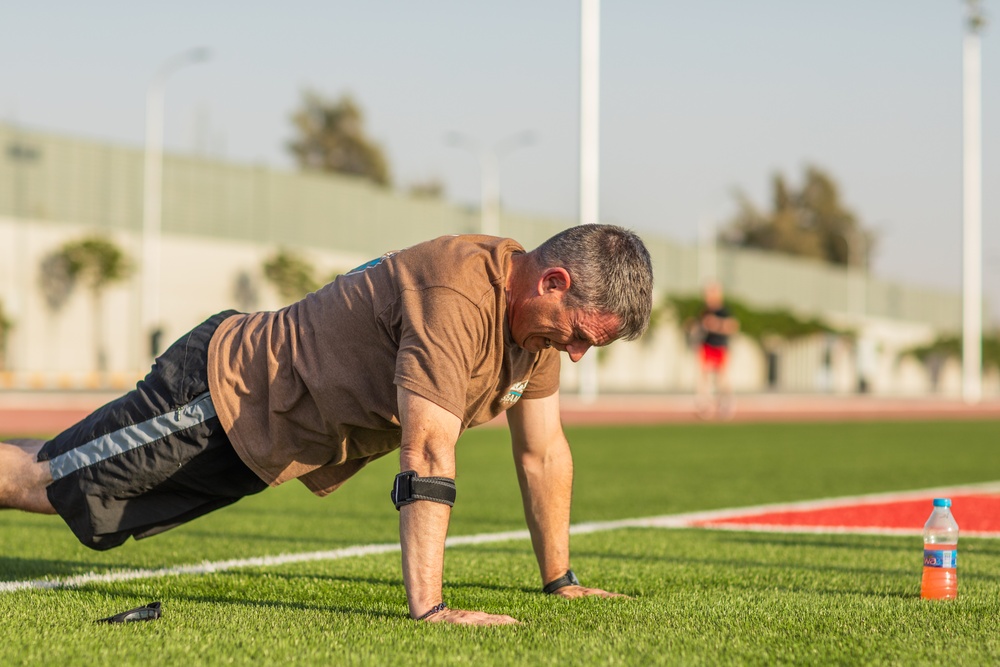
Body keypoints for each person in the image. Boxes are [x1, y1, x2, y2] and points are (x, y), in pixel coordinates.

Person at [0, 224, 654, 626]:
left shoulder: (533, 336)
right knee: (43, 481)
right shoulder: (458, 293)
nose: (573, 354)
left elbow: (543, 451)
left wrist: (560, 581)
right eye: (577, 336)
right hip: (225, 391)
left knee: (69, 489)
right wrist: (431, 608)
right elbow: (427, 449)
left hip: (259, 445)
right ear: (554, 281)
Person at [695, 281, 739, 419]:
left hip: (720, 346)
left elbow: (732, 327)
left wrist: (716, 325)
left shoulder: (723, 311)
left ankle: (726, 405)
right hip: (707, 345)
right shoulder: (705, 311)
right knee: (705, 377)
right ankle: (705, 406)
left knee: (722, 379)